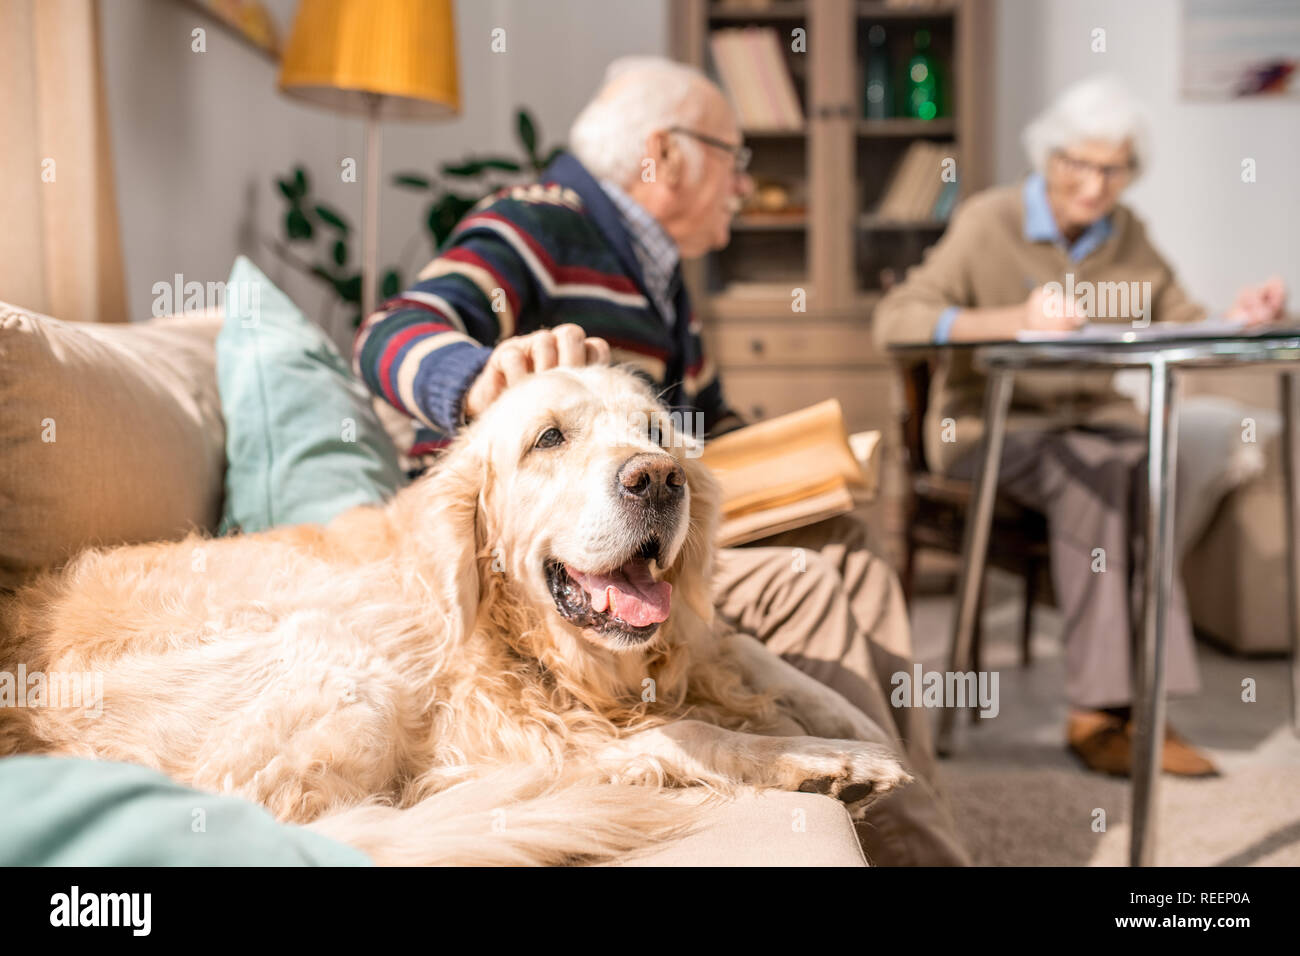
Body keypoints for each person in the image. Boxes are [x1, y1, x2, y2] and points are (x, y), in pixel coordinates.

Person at [353, 56, 968, 865]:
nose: (745, 186)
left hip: (636, 520)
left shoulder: (663, 275)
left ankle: (910, 805)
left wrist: (804, 458)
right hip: (539, 550)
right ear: (665, 156)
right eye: (734, 158)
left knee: (852, 544)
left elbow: (704, 423)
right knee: (808, 584)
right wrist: (475, 380)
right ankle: (913, 849)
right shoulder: (537, 224)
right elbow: (391, 331)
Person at [872, 75, 1288, 778]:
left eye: (1112, 169)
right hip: (988, 431)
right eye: (1079, 165)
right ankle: (1103, 713)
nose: (1094, 186)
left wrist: (1245, 314)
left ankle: (1138, 705)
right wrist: (1014, 321)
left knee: (1152, 466)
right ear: (1049, 158)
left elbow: (1184, 319)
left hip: (1094, 425)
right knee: (1097, 479)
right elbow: (898, 321)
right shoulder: (988, 221)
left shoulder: (1128, 235)